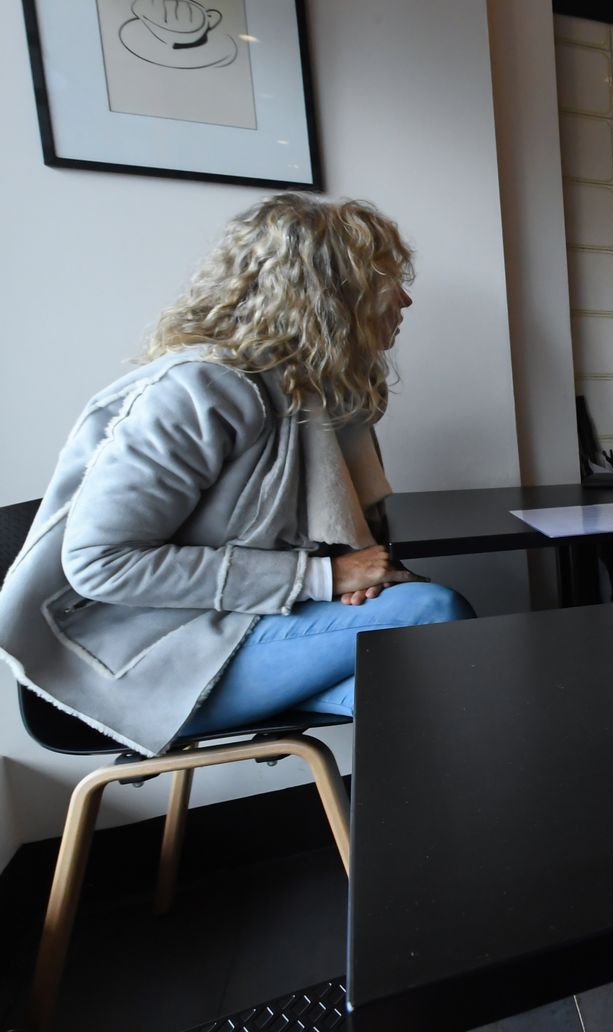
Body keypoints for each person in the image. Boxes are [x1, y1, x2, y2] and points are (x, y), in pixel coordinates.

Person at [0, 194, 474, 757]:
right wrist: (321, 578)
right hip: (138, 662)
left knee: (426, 680)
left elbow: (333, 542)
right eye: (382, 279)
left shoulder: (311, 399)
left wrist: (346, 573)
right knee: (433, 620)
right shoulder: (196, 392)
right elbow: (101, 564)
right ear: (326, 292)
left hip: (233, 624)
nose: (405, 298)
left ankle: (440, 833)